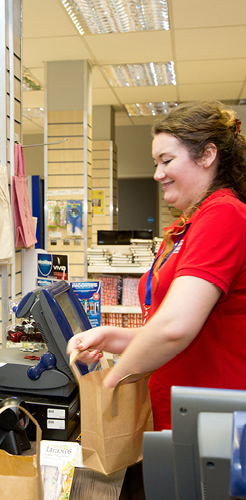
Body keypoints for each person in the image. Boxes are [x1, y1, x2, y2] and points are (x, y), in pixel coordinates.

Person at [67, 100, 246, 432]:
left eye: (167, 161)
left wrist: (113, 383)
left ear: (207, 156)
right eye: (155, 162)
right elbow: (171, 327)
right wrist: (112, 338)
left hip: (214, 422)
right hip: (181, 410)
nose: (157, 174)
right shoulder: (189, 225)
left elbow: (175, 329)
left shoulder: (223, 215)